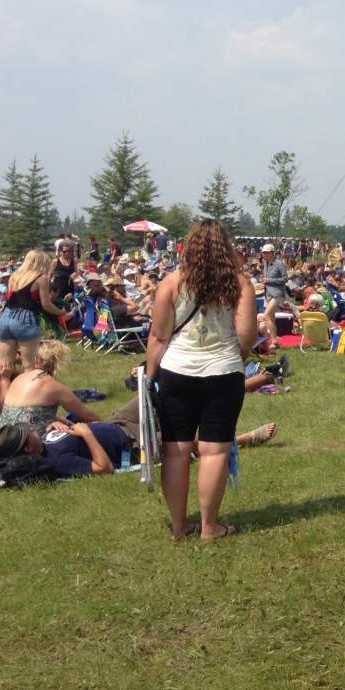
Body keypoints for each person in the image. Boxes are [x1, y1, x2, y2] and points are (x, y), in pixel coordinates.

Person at [146, 219, 257, 541]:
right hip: (223, 372)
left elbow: (158, 335)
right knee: (215, 451)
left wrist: (150, 377)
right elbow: (247, 335)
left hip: (177, 371)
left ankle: (179, 527)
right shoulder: (240, 283)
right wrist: (237, 355)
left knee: (175, 451)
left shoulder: (172, 282)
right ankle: (210, 526)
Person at [0, 341, 102, 434]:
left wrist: (66, 422)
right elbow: (88, 416)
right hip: (29, 445)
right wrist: (109, 428)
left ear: (35, 359)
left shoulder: (19, 378)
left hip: (2, 440)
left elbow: (26, 411)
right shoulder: (53, 386)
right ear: (56, 362)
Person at [0, 249, 69, 379]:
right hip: (24, 319)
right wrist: (61, 312)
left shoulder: (14, 276)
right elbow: (46, 304)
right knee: (29, 365)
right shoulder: (41, 278)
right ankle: (28, 397)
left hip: (5, 316)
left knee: (4, 365)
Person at [0, 418, 129, 478]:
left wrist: (62, 425)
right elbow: (104, 468)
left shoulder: (42, 444)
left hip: (116, 421)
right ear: (27, 448)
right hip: (130, 438)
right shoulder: (58, 460)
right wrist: (87, 433)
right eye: (29, 432)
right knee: (149, 390)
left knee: (147, 385)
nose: (32, 429)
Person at [260, 242, 297, 327]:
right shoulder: (265, 264)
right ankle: (273, 338)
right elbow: (267, 279)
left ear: (272, 253)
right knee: (271, 318)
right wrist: (264, 283)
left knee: (265, 316)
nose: (264, 254)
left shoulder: (279, 264)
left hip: (277, 295)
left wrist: (269, 280)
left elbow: (285, 279)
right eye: (263, 252)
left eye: (266, 252)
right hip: (268, 294)